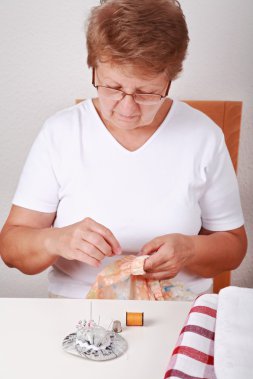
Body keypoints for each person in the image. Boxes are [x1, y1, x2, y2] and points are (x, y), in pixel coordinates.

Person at [0, 0, 247, 299]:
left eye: (146, 92)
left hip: (176, 308)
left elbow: (233, 247)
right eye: (112, 87)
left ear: (170, 79)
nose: (127, 108)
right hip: (77, 312)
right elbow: (11, 247)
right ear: (94, 67)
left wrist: (190, 248)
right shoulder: (61, 133)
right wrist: (57, 240)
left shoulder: (202, 135)